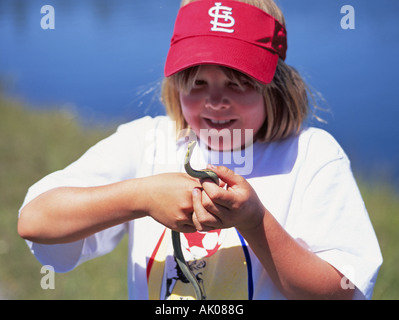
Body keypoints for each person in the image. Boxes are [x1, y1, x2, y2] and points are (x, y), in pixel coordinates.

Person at [18, 0, 382, 300]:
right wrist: (140, 196)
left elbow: (340, 293)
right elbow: (34, 221)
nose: (215, 101)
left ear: (276, 85)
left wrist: (255, 222)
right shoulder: (147, 143)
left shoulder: (311, 156)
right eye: (197, 82)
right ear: (175, 85)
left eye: (238, 82)